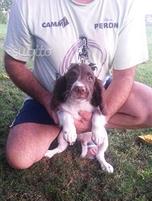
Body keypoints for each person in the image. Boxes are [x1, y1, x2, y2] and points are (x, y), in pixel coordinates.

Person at [4, 0, 152, 170]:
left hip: (97, 90)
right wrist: (48, 100)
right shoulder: (28, 3)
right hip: (51, 95)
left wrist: (98, 119)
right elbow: (13, 62)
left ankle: (82, 128)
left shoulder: (127, 3)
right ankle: (66, 124)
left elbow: (124, 75)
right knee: (19, 157)